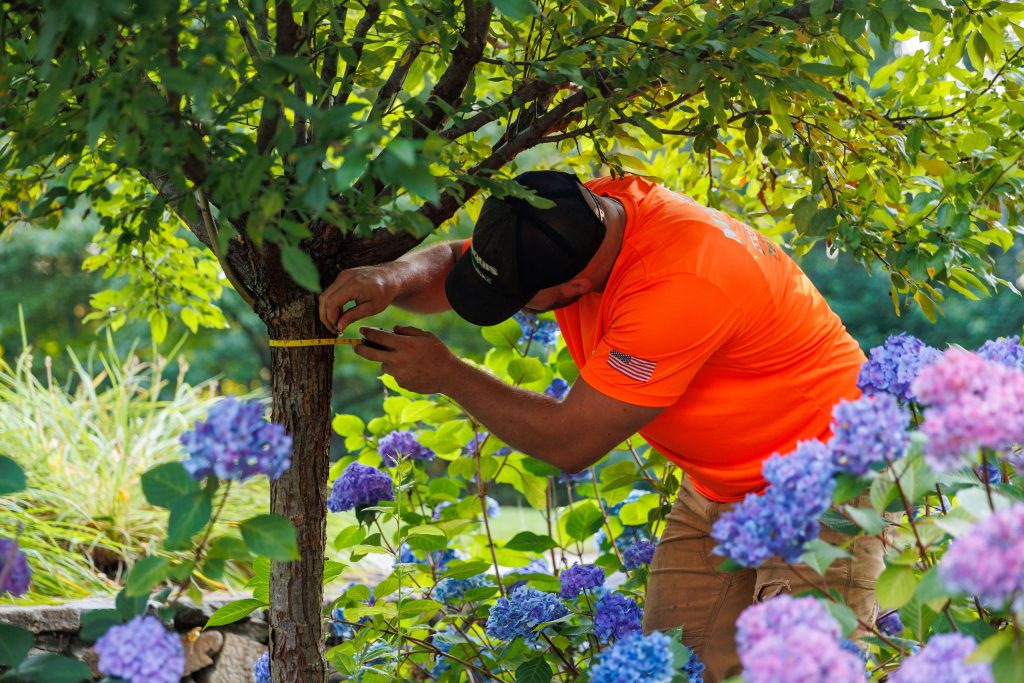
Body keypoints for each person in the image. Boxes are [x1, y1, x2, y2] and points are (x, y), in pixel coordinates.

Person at [318, 170, 882, 682]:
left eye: (520, 301)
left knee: (803, 673)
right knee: (672, 666)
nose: (511, 304)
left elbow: (572, 441)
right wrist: (391, 277)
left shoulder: (678, 284)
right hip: (720, 487)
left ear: (573, 286)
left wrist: (450, 375)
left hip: (826, 481)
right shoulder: (571, 214)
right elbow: (460, 259)